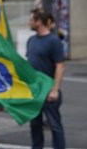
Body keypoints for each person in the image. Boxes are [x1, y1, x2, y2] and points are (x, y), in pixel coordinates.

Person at [27, 10, 66, 149]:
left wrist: (55, 90)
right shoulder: (31, 40)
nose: (29, 22)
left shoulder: (53, 41)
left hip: (49, 91)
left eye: (31, 20)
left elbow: (60, 66)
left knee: (55, 126)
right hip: (35, 91)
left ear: (39, 22)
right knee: (35, 125)